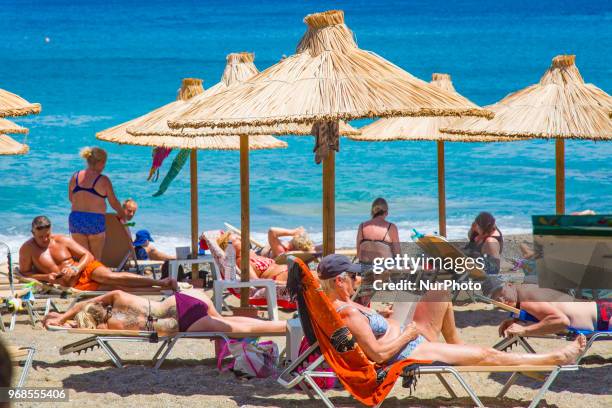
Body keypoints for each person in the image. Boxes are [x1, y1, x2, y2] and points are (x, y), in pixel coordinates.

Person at [313, 254, 584, 366]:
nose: (358, 280)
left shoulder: (343, 306)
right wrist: (408, 334)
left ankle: (457, 347)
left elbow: (364, 334)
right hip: (407, 349)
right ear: (339, 280)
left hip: (403, 337)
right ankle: (553, 358)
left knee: (436, 291)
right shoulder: (347, 312)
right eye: (354, 276)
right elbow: (378, 354)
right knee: (485, 353)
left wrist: (378, 317)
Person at [19, 216, 177, 291]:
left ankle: (162, 282)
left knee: (111, 276)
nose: (45, 239)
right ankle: (162, 288)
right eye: (41, 237)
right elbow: (25, 274)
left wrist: (76, 268)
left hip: (84, 268)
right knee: (117, 286)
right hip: (73, 284)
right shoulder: (27, 250)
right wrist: (45, 277)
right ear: (32, 233)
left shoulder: (61, 240)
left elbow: (87, 255)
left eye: (48, 234)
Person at [42, 289, 286, 335]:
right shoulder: (116, 296)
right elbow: (80, 304)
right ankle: (279, 322)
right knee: (227, 320)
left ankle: (285, 328)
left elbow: (86, 328)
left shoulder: (110, 326)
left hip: (179, 322)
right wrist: (63, 316)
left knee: (236, 330)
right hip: (183, 299)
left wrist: (65, 324)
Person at [483, 276, 612, 336]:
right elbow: (545, 312)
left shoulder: (526, 299)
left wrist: (524, 330)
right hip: (600, 310)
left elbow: (560, 321)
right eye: (495, 299)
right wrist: (516, 321)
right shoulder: (524, 291)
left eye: (501, 293)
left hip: (603, 316)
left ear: (509, 285)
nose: (501, 299)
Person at [68, 147, 127, 260]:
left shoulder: (75, 176)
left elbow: (71, 198)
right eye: (104, 163)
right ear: (100, 163)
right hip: (94, 220)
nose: (104, 166)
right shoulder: (103, 180)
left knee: (83, 258)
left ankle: (84, 277)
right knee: (95, 259)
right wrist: (121, 213)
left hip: (76, 219)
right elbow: (113, 202)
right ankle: (95, 277)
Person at [217, 232, 288, 282]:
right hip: (281, 278)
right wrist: (280, 283)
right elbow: (255, 281)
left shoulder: (252, 255)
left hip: (288, 273)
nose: (241, 239)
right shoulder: (242, 261)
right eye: (237, 239)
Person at [356, 198, 401, 265]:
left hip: (365, 269)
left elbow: (359, 252)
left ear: (372, 211)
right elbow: (397, 253)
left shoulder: (362, 226)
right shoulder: (391, 227)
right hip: (384, 270)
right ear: (386, 212)